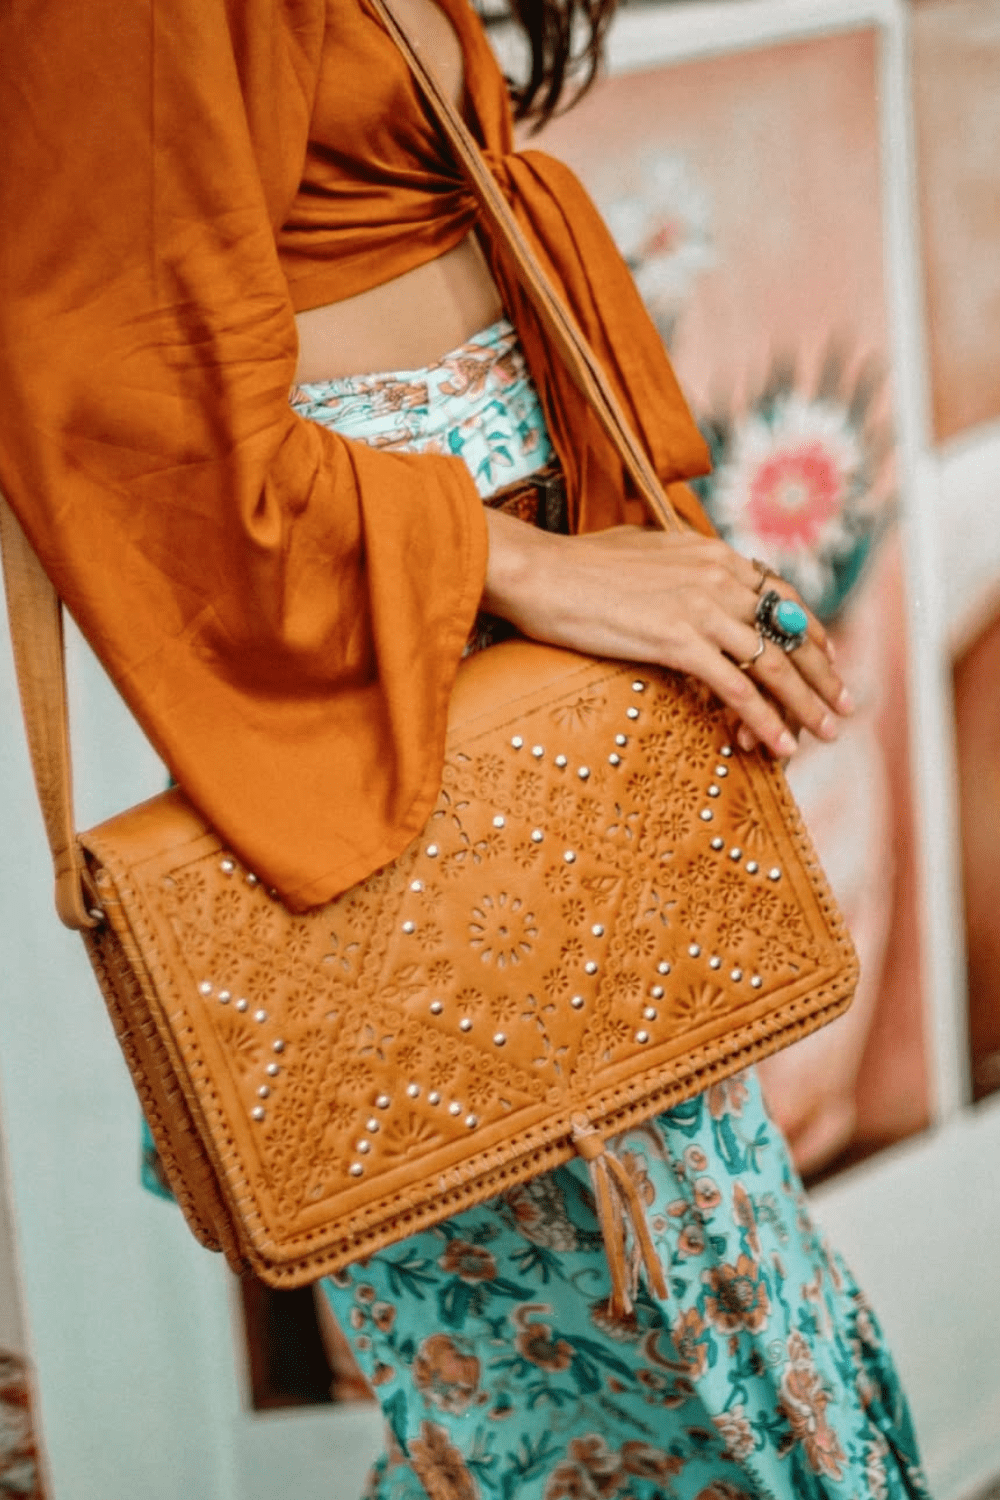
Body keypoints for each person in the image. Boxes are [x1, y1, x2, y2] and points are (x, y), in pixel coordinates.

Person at [0, 0, 930, 1494]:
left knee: (718, 1316)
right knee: (614, 1365)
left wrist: (643, 561)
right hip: (377, 684)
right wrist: (526, 565)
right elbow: (112, 393)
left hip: (517, 639)